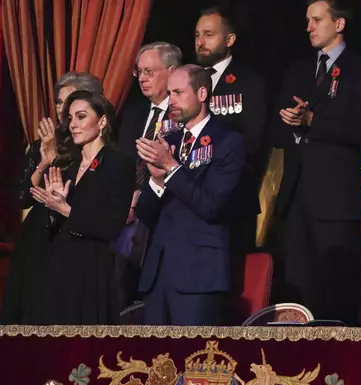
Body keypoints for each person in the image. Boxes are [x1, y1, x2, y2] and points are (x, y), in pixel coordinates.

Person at [271, 0, 361, 324]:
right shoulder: (298, 70)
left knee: (336, 293)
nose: (309, 27)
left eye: (317, 20)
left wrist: (313, 120)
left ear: (339, 24)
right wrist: (291, 123)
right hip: (296, 199)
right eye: (308, 20)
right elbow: (275, 130)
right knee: (299, 291)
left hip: (336, 201)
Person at [136, 65, 246, 326]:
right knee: (153, 361)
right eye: (169, 93)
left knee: (193, 360)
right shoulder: (168, 141)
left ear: (202, 93)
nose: (171, 100)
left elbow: (211, 206)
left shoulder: (228, 141)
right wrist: (156, 179)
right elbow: (145, 214)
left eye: (178, 92)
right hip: (158, 272)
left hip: (198, 273)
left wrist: (172, 168)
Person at [0, 72, 103, 324]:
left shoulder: (94, 145)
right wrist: (44, 161)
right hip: (35, 237)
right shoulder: (43, 143)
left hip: (69, 238)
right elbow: (23, 196)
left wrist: (56, 158)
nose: (62, 109)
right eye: (58, 102)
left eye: (69, 102)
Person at [28, 90, 135, 325]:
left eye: (81, 116)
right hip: (59, 264)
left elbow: (111, 226)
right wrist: (53, 207)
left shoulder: (118, 164)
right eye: (70, 118)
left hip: (91, 268)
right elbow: (51, 223)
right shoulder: (69, 166)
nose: (73, 124)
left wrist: (66, 209)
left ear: (102, 120)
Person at [195, 5, 268, 299]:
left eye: (209, 34)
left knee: (230, 290)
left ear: (230, 40)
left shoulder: (250, 83)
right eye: (197, 35)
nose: (200, 41)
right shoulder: (187, 81)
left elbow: (252, 140)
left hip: (232, 201)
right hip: (191, 201)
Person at [115, 41, 182, 312]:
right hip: (126, 214)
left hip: (164, 212)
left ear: (172, 70)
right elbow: (121, 163)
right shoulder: (134, 113)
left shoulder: (183, 113)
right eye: (138, 72)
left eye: (149, 72)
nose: (142, 78)